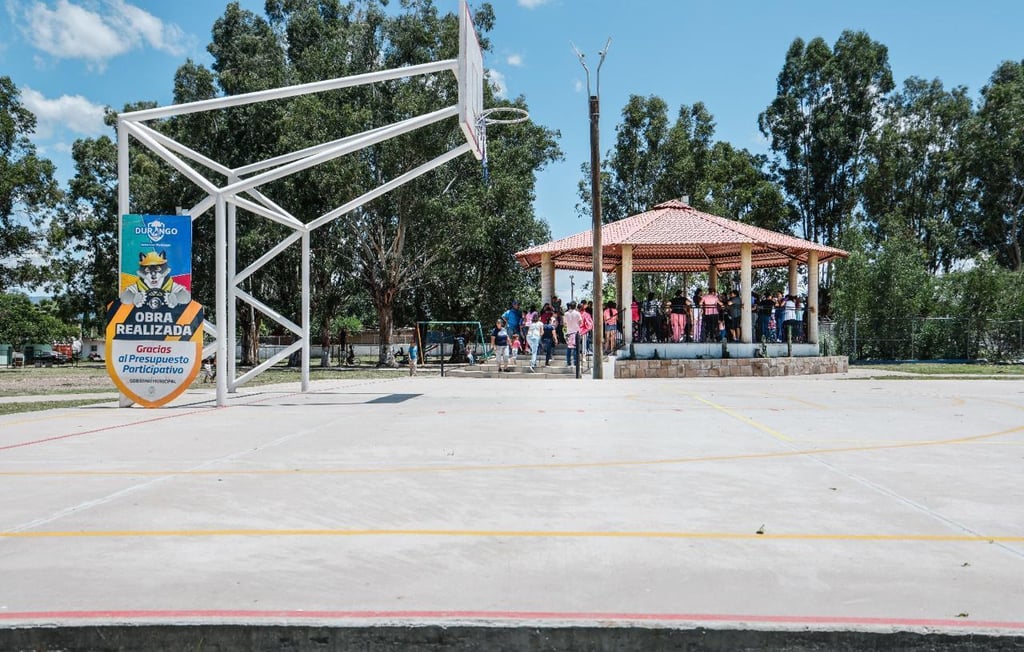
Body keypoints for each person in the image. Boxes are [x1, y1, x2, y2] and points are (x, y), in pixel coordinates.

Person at [563, 301, 582, 366]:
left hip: (569, 332)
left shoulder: (566, 314)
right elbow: (580, 322)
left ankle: (568, 362)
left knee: (569, 348)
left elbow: (565, 324)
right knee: (575, 348)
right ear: (575, 306)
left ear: (569, 306)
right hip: (576, 332)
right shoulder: (578, 313)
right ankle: (575, 362)